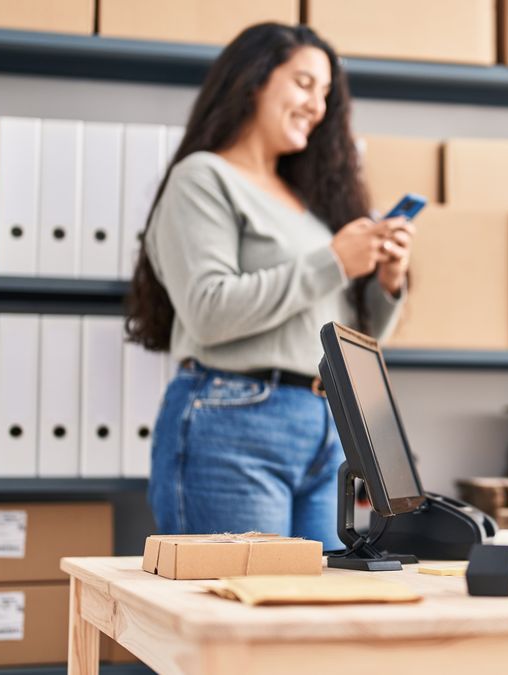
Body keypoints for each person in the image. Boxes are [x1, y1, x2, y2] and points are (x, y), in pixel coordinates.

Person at [125, 23, 413, 548]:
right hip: (234, 421)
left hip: (326, 424)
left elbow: (345, 337)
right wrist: (334, 260)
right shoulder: (203, 178)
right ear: (252, 80)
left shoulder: (308, 202)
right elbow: (208, 311)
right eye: (304, 83)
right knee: (239, 595)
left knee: (317, 599)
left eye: (325, 93)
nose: (317, 106)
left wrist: (386, 283)